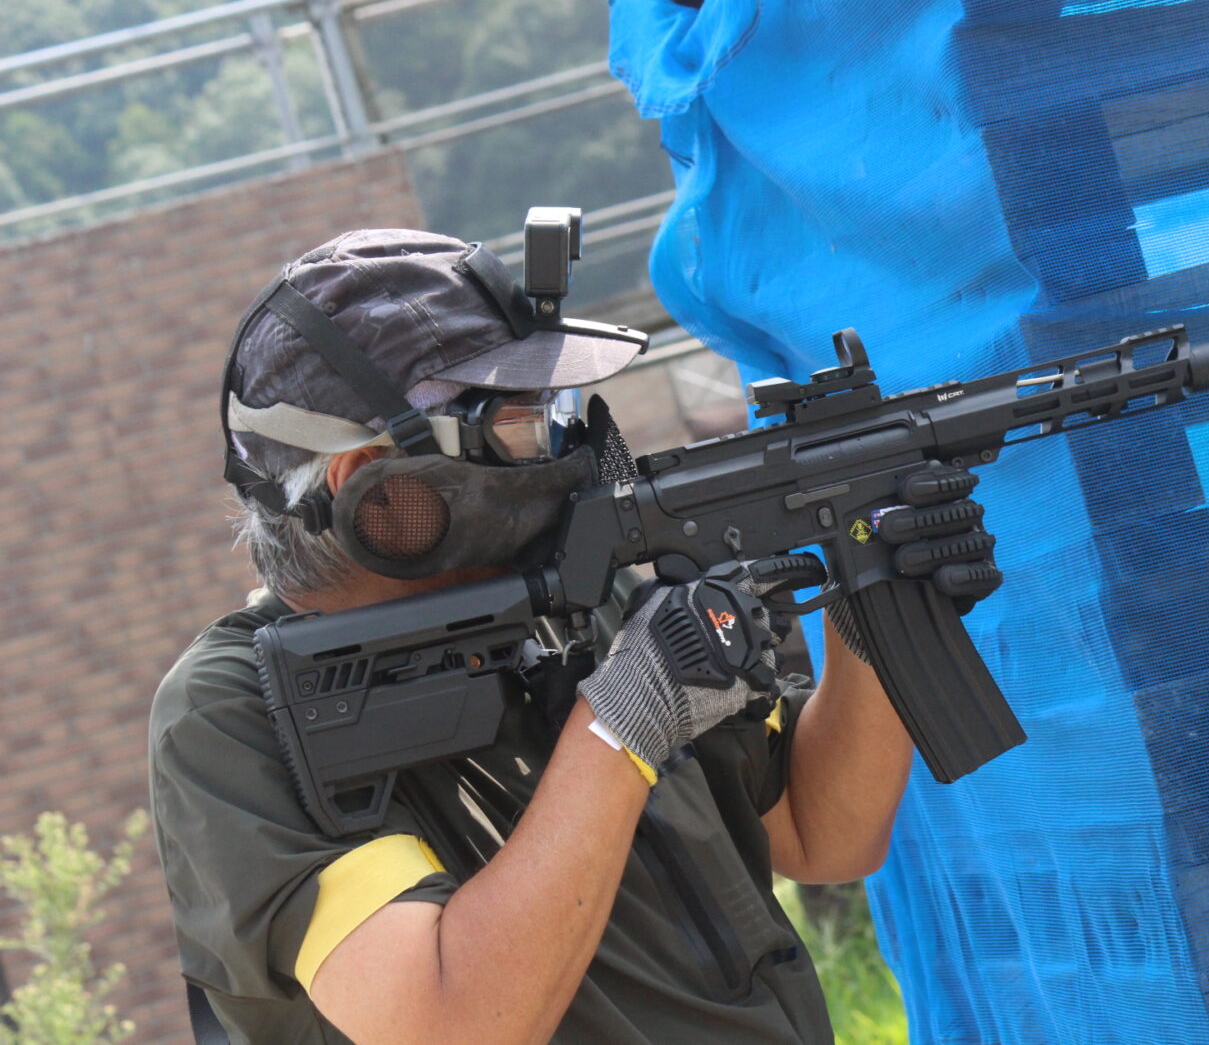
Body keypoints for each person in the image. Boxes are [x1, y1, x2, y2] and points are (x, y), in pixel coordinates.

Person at [148, 228, 998, 1044]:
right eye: (514, 427)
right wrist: (621, 725)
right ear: (377, 489)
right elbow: (451, 1022)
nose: (553, 455)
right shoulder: (235, 714)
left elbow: (822, 830)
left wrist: (870, 579)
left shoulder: (582, 600)